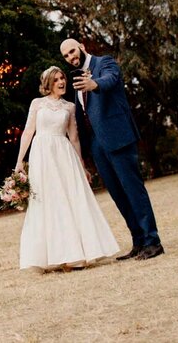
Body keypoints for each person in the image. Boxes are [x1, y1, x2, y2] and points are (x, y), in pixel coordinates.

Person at [60, 38, 164, 261]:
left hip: (118, 137)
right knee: (118, 195)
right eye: (66, 56)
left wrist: (94, 84)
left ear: (81, 47)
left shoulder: (103, 63)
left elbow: (110, 80)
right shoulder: (76, 80)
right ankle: (138, 241)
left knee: (133, 190)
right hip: (97, 145)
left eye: (72, 51)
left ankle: (153, 242)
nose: (71, 57)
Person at [15, 66, 120, 271]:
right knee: (48, 201)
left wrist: (81, 164)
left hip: (64, 154)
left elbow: (74, 137)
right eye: (56, 80)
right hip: (42, 153)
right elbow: (28, 132)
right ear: (48, 84)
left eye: (62, 78)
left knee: (71, 199)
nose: (61, 82)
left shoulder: (70, 107)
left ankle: (76, 255)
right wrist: (19, 161)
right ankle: (51, 257)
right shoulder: (37, 104)